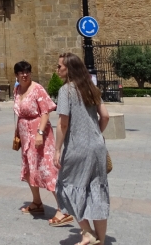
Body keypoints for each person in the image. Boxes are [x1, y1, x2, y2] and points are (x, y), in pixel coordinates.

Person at [54, 52, 110, 245]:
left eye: (60, 66)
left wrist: (56, 149)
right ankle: (100, 241)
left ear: (69, 69)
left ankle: (87, 231)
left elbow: (63, 124)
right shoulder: (91, 88)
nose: (57, 69)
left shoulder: (66, 91)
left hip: (77, 148)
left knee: (65, 187)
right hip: (97, 147)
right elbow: (105, 116)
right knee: (97, 191)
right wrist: (96, 135)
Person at [12, 61, 68, 225]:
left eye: (27, 72)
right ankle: (37, 203)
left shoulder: (37, 89)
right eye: (21, 72)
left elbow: (45, 112)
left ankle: (63, 209)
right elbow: (20, 114)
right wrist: (18, 132)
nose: (24, 75)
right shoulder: (17, 89)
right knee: (29, 168)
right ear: (16, 75)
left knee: (48, 169)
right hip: (24, 134)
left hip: (39, 134)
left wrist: (40, 133)